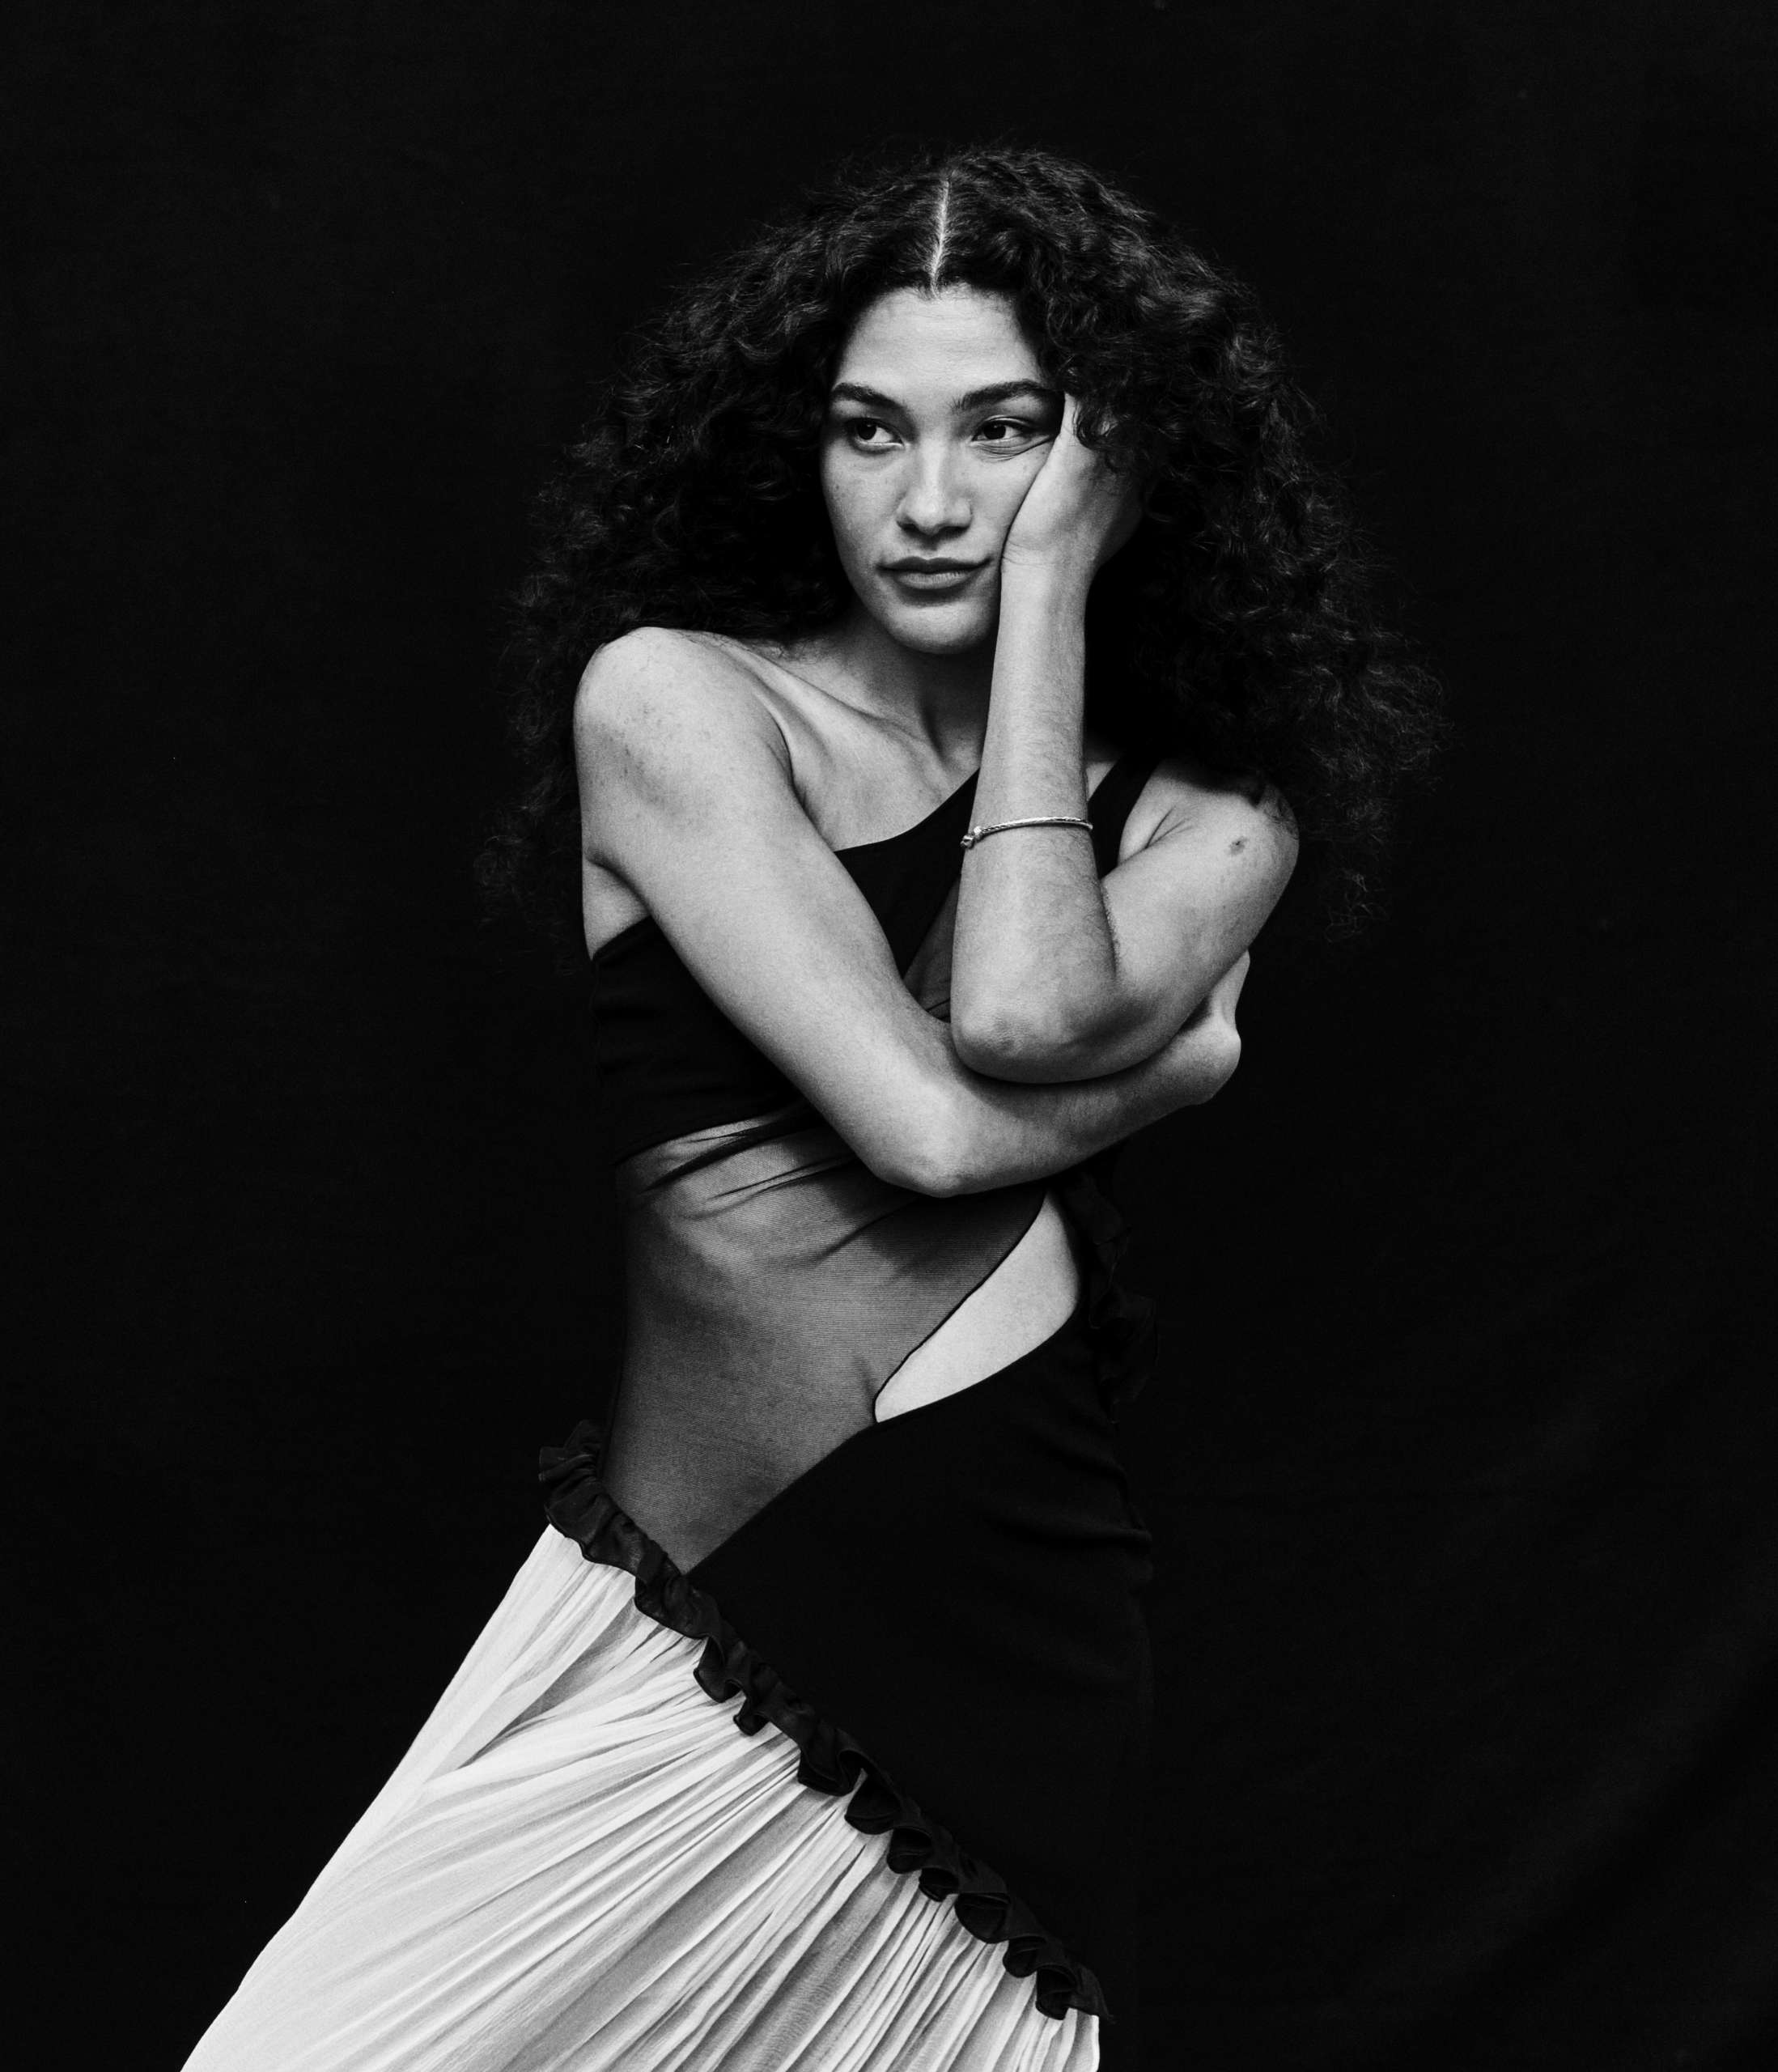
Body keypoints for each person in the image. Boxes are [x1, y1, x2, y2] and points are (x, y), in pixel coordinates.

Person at [184, 145, 1441, 2072]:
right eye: (871, 429)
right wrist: (1178, 1068)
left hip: (1015, 1622)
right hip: (710, 1576)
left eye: (1003, 432)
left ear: (1111, 462)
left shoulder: (1214, 801)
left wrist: (1045, 598)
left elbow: (1016, 1003)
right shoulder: (679, 703)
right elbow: (931, 1130)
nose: (930, 501)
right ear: (801, 445)